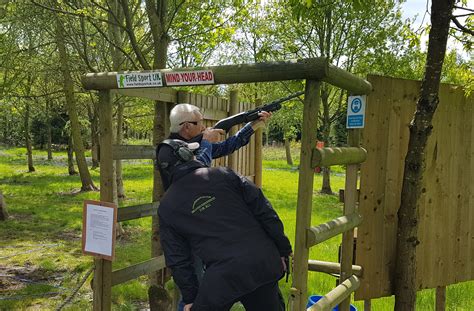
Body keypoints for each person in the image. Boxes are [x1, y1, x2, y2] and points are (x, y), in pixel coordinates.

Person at [159, 103, 272, 310]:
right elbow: (197, 170)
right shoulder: (169, 149)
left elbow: (229, 146)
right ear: (185, 127)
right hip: (187, 227)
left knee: (212, 282)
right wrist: (207, 144)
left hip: (205, 226)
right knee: (193, 285)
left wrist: (253, 125)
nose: (204, 127)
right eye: (199, 123)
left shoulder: (197, 143)